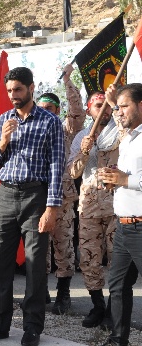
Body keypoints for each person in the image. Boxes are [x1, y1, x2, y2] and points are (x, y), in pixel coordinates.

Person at [0, 67, 65, 346]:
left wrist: (52, 206)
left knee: (34, 264)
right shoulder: (3, 120)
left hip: (35, 197)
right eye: (9, 91)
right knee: (0, 262)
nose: (13, 96)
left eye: (18, 90)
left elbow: (56, 167)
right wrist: (3, 140)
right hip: (7, 195)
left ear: (31, 87)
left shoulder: (50, 122)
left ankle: (32, 326)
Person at [85, 83, 142, 346]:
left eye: (124, 106)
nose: (119, 112)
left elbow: (135, 179)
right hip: (124, 226)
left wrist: (125, 180)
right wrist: (116, 178)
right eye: (116, 107)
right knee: (118, 286)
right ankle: (119, 343)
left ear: (141, 105)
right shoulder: (130, 138)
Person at [68, 86, 123, 327]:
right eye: (98, 105)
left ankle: (114, 308)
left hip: (115, 205)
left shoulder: (122, 131)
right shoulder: (82, 137)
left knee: (117, 260)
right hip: (89, 206)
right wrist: (83, 151)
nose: (103, 109)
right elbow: (73, 172)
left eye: (107, 105)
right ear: (89, 110)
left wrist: (117, 103)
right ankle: (97, 306)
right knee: (89, 259)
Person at [36, 65, 85, 313]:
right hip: (37, 197)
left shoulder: (65, 129)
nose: (45, 112)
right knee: (40, 248)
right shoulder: (33, 129)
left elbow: (77, 113)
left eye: (50, 109)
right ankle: (41, 292)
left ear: (58, 110)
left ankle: (63, 294)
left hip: (63, 199)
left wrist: (68, 82)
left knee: (63, 245)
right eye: (41, 108)